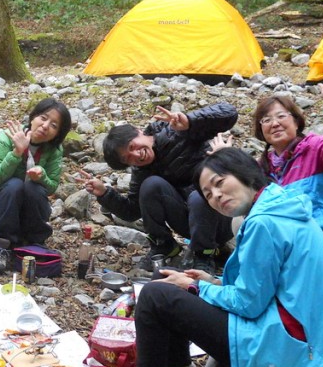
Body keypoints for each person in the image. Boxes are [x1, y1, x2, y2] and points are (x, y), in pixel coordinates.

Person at [93, 148, 323, 367]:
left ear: (246, 175)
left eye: (220, 183)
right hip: (294, 333)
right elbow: (271, 286)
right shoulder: (283, 206)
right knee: (167, 277)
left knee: (156, 294)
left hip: (280, 342)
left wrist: (199, 287)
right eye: (208, 193)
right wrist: (213, 282)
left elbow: (249, 304)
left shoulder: (264, 223)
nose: (216, 195)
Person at [79, 102, 238, 272]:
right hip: (191, 223)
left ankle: (203, 255)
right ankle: (164, 246)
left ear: (138, 131)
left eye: (132, 146)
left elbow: (229, 112)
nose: (136, 155)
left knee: (198, 196)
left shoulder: (177, 130)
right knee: (151, 185)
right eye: (128, 159)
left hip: (224, 215)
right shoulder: (142, 171)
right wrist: (104, 193)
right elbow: (132, 211)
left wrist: (190, 121)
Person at [220, 72, 323, 237]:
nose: (275, 124)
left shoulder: (316, 149)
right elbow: (240, 195)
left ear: (296, 122)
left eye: (281, 116)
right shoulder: (263, 166)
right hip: (286, 237)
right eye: (266, 120)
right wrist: (223, 161)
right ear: (261, 131)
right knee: (239, 220)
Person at [0, 98, 72, 273]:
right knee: (14, 184)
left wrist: (42, 177)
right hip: (0, 208)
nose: (45, 126)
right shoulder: (7, 138)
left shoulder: (54, 150)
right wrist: (16, 153)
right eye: (43, 118)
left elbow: (52, 187)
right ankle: (2, 245)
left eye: (54, 125)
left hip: (31, 213)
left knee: (34, 187)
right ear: (32, 117)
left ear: (58, 134)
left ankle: (34, 244)